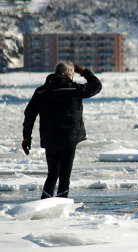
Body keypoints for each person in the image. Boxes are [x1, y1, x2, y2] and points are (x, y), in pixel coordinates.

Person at [22, 62, 102, 199]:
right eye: (72, 74)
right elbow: (96, 86)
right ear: (69, 74)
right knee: (64, 176)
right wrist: (84, 72)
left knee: (52, 174)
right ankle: (60, 207)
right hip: (68, 139)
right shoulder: (74, 89)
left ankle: (45, 204)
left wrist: (26, 138)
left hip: (50, 139)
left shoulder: (41, 91)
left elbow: (29, 114)